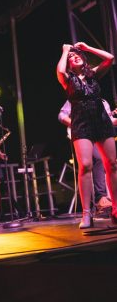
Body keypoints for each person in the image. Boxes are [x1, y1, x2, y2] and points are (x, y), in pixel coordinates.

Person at [57, 42, 117, 229]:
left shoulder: (93, 74)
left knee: (113, 164)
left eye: (77, 55)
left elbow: (110, 58)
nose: (73, 57)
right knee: (85, 165)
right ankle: (86, 213)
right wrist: (66, 51)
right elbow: (59, 70)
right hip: (81, 123)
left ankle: (115, 209)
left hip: (101, 121)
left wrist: (87, 48)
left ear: (83, 59)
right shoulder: (68, 79)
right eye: (70, 58)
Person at [58, 99, 117, 212]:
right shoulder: (76, 98)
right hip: (82, 135)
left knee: (110, 162)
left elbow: (109, 120)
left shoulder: (103, 102)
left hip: (99, 133)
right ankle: (101, 197)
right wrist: (77, 125)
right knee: (97, 159)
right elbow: (62, 115)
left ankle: (111, 202)